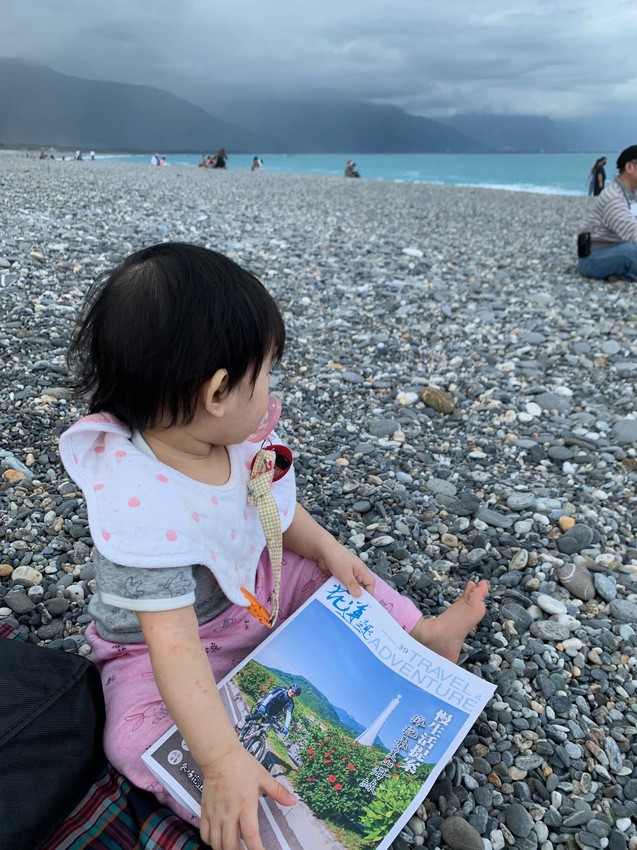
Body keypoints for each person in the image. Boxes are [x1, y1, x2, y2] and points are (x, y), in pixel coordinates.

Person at [59, 243, 487, 850]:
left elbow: (272, 509)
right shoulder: (141, 505)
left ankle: (418, 637)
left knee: (334, 577)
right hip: (156, 648)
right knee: (130, 737)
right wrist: (218, 760)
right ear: (216, 393)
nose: (269, 390)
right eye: (263, 375)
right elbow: (173, 645)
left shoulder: (229, 439)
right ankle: (239, 805)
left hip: (255, 591)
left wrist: (329, 548)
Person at [577, 145, 637, 281]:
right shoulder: (613, 197)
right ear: (629, 167)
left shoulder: (632, 192)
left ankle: (626, 275)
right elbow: (633, 232)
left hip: (617, 248)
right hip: (596, 257)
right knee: (630, 252)